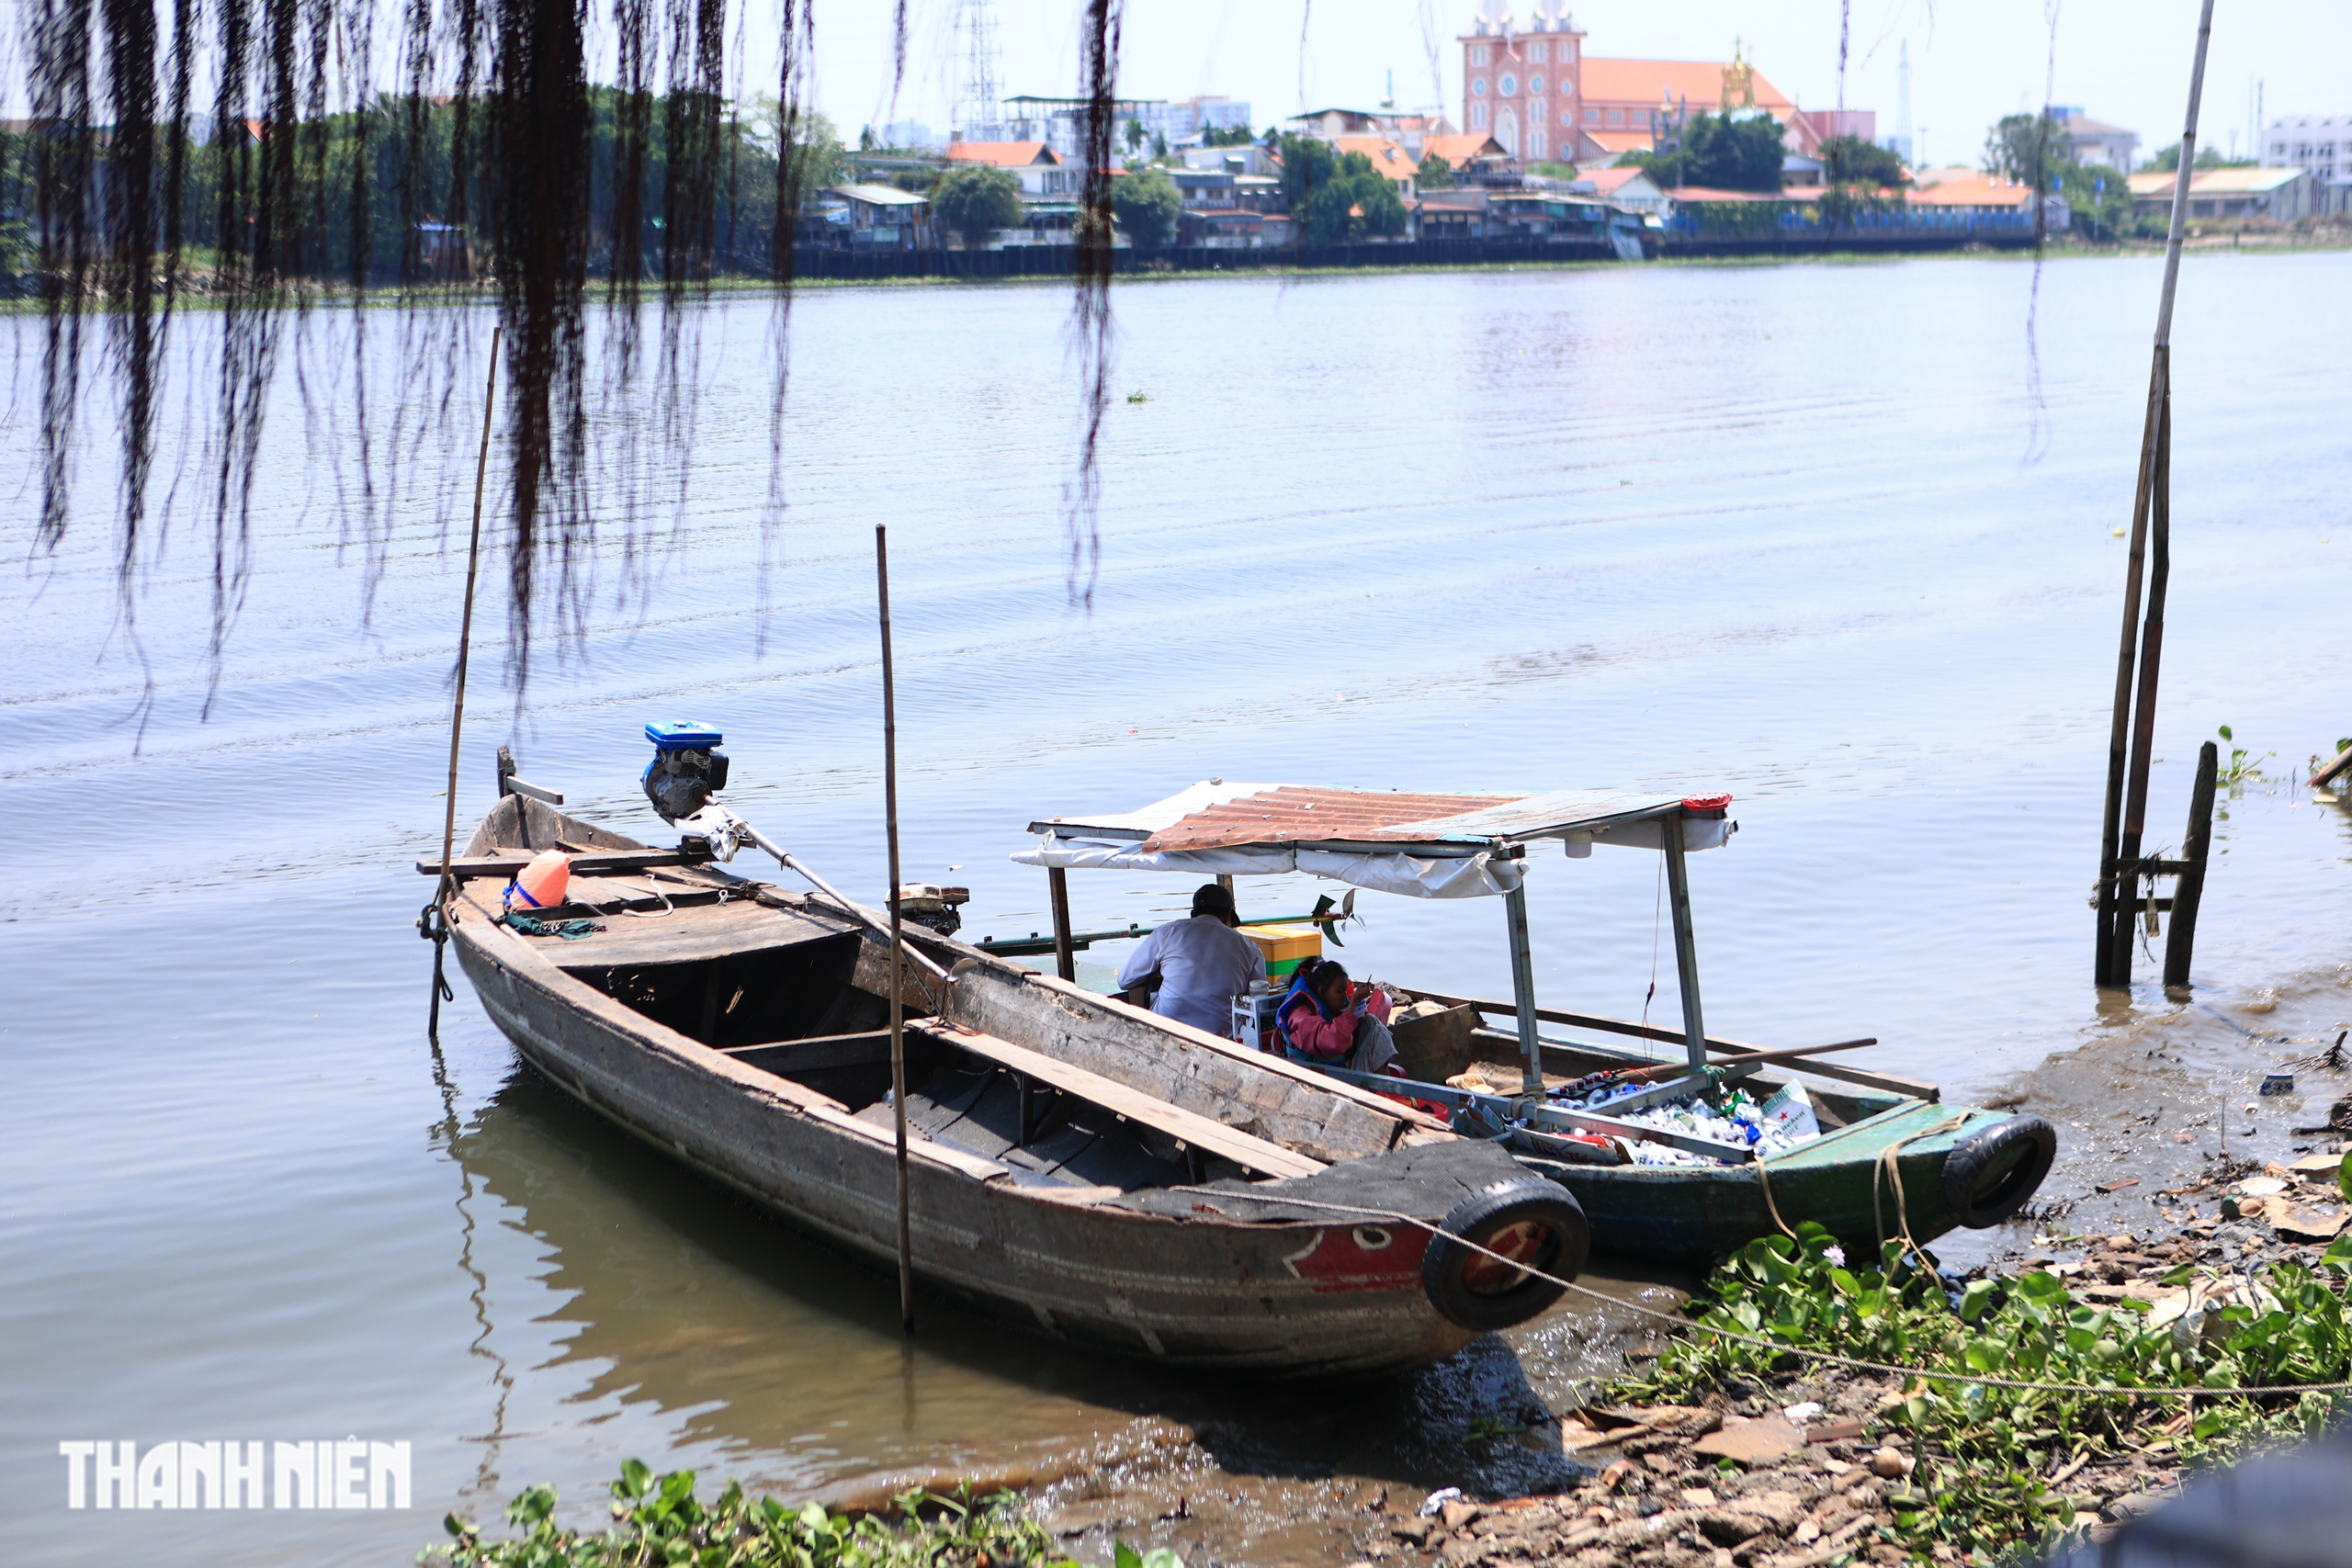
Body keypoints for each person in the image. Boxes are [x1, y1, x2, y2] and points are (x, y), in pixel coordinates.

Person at [1115, 882, 1267, 1037]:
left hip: (1165, 1033)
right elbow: (1258, 1000)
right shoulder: (1250, 948)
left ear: (1193, 913)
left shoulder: (1168, 932)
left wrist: (1156, 974)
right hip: (1223, 1038)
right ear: (1228, 914)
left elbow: (1125, 981)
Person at [1277, 957, 1398, 1075]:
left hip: (1337, 1069)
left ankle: (1385, 1087)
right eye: (1339, 991)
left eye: (1346, 992)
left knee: (1370, 1021)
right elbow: (1333, 1043)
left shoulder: (1325, 1009)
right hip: (1323, 1080)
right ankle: (1385, 1090)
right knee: (1378, 1033)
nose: (1345, 998)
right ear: (1322, 992)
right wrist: (1353, 1003)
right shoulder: (1301, 1017)